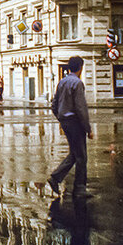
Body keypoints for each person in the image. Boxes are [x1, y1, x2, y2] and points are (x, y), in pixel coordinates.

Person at [48, 55, 92, 197]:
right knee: (81, 156)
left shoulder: (62, 82)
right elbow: (81, 108)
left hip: (66, 122)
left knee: (74, 153)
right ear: (80, 68)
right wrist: (87, 128)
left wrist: (61, 118)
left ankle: (55, 178)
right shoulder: (77, 83)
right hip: (75, 123)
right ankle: (80, 189)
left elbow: (54, 104)